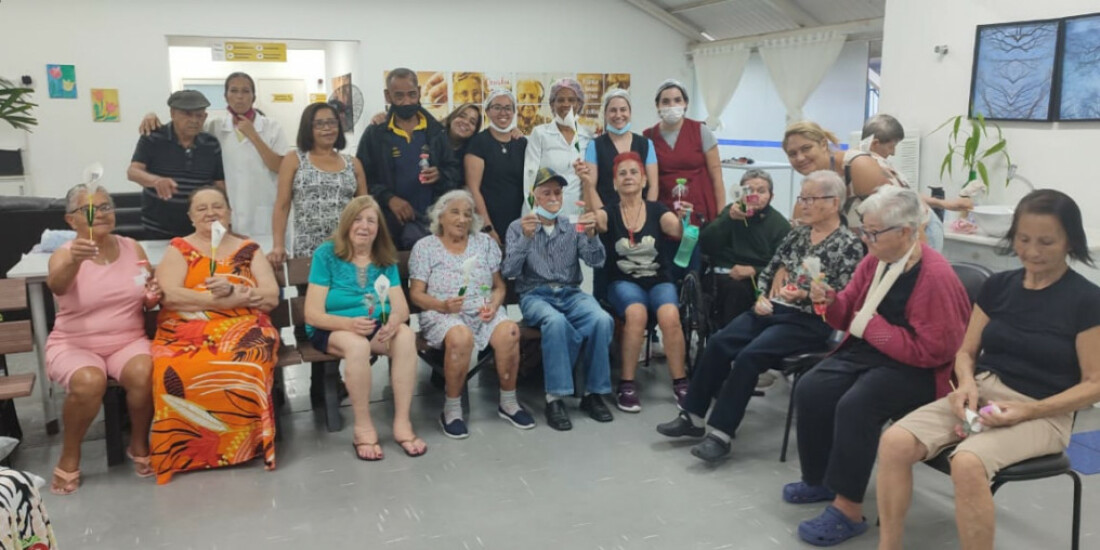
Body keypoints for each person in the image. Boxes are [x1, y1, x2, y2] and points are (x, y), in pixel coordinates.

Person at [877, 190, 1100, 550]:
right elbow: (966, 352)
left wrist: (1029, 411)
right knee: (895, 442)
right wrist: (965, 385)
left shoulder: (1087, 300)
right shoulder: (998, 286)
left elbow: (1094, 384)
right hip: (982, 395)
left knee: (967, 462)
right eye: (1023, 239)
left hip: (1045, 412)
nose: (1032, 251)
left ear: (1070, 242)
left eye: (1046, 242)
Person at [783, 186, 971, 547]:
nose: (865, 239)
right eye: (864, 231)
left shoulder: (935, 276)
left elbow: (935, 352)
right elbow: (848, 313)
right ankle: (820, 480)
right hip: (871, 353)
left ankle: (848, 510)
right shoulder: (876, 260)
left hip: (919, 370)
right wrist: (830, 301)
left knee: (857, 405)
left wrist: (875, 329)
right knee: (811, 386)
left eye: (873, 233)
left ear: (905, 232)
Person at [657, 171, 861, 462]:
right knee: (719, 342)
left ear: (834, 203)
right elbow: (771, 268)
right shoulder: (798, 234)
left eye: (810, 199)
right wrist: (763, 295)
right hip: (775, 308)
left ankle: (721, 434)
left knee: (749, 356)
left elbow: (842, 295)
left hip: (811, 320)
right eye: (802, 198)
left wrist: (804, 295)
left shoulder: (848, 245)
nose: (802, 204)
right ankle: (693, 416)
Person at [150, 186, 281, 484]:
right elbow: (169, 295)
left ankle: (246, 446)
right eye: (202, 208)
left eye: (218, 206)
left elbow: (271, 296)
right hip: (185, 332)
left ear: (230, 213)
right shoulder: (179, 248)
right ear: (190, 216)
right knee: (175, 368)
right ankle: (183, 452)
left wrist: (237, 291)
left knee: (248, 359)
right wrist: (218, 301)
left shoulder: (249, 249)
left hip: (244, 327)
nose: (211, 213)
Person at [44, 185, 161, 495]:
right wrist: (75, 260)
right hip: (75, 343)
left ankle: (139, 442)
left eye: (106, 207)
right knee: (89, 381)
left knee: (146, 372)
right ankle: (70, 454)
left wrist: (152, 295)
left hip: (128, 340)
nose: (101, 214)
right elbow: (57, 286)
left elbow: (146, 291)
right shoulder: (65, 254)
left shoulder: (132, 247)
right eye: (89, 210)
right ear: (71, 220)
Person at [304, 196, 426, 460]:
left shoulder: (384, 258)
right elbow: (312, 314)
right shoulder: (326, 254)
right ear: (347, 223)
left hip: (375, 325)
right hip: (333, 326)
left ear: (378, 228)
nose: (364, 226)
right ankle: (363, 428)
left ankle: (402, 423)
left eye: (371, 221)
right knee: (357, 345)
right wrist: (348, 324)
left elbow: (401, 308)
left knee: (406, 336)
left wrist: (395, 320)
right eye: (358, 219)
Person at [408, 190, 534, 438]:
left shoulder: (484, 243)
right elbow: (416, 295)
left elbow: (499, 287)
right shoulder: (425, 247)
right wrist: (443, 305)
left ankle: (509, 402)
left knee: (509, 331)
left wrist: (494, 305)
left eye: (467, 214)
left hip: (481, 310)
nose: (462, 219)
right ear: (440, 216)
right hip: (442, 313)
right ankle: (452, 409)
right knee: (460, 336)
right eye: (455, 212)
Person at [501, 167, 613, 431]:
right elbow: (509, 271)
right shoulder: (518, 227)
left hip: (570, 292)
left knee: (601, 319)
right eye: (546, 193)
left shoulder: (573, 225)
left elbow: (596, 261)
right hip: (535, 294)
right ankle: (555, 398)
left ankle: (593, 394)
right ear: (534, 196)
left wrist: (592, 236)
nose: (553, 198)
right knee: (555, 322)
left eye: (557, 192)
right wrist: (525, 239)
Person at [585, 152, 689, 412]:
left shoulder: (657, 210)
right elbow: (596, 221)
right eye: (622, 173)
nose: (628, 177)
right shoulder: (609, 212)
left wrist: (684, 219)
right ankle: (627, 383)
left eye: (634, 172)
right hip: (623, 281)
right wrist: (587, 185)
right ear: (615, 183)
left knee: (670, 316)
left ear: (644, 180)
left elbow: (677, 231)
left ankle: (681, 382)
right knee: (636, 313)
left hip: (659, 280)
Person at [138, 73, 288, 238]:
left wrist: (253, 135)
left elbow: (279, 167)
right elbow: (183, 129)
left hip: (264, 209)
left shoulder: (272, 128)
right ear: (226, 96)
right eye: (234, 91)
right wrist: (151, 116)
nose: (239, 96)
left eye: (246, 91)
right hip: (226, 213)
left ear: (254, 97)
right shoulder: (214, 127)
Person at [784, 119, 943, 249]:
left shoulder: (858, 166)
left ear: (824, 144)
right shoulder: (815, 181)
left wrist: (922, 264)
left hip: (917, 230)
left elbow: (906, 215)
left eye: (806, 148)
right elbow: (799, 230)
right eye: (792, 154)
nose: (800, 158)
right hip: (875, 240)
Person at [356, 68, 461, 251]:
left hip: (431, 225)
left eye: (412, 94)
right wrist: (389, 199)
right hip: (387, 227)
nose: (407, 101)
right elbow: (361, 179)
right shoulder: (375, 134)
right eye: (399, 96)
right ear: (387, 96)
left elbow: (455, 171)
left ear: (419, 92)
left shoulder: (436, 131)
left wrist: (441, 174)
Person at [268, 102, 367, 265]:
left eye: (332, 122)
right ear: (308, 128)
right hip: (308, 250)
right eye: (319, 124)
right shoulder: (294, 159)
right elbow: (282, 205)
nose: (327, 128)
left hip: (347, 248)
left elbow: (364, 209)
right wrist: (278, 245)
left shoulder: (353, 163)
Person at [698, 169, 792, 328]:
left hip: (758, 276)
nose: (754, 195)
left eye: (761, 191)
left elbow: (783, 263)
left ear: (771, 196)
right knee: (729, 288)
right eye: (748, 190)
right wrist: (728, 219)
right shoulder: (730, 212)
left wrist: (754, 270)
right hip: (723, 273)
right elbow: (706, 244)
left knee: (740, 290)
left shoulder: (780, 224)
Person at [127, 90, 225, 239]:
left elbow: (219, 184)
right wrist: (156, 181)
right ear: (173, 113)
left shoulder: (211, 143)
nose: (194, 120)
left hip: (200, 228)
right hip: (158, 228)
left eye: (199, 115)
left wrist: (225, 215)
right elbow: (133, 172)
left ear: (205, 117)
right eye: (187, 114)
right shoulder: (153, 137)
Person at [643, 79, 725, 227]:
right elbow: (648, 182)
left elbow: (717, 178)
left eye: (677, 100)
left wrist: (721, 217)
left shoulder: (701, 131)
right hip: (665, 212)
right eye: (665, 102)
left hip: (701, 209)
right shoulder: (649, 137)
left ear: (685, 103)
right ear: (657, 106)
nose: (672, 106)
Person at [467, 89, 527, 246]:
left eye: (508, 108)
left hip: (519, 223)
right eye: (497, 107)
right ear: (487, 111)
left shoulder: (522, 143)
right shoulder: (478, 142)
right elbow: (473, 190)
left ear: (514, 112)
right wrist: (488, 228)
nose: (503, 112)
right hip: (489, 223)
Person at [523, 78, 592, 213]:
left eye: (571, 100)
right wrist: (533, 210)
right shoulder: (540, 134)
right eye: (560, 100)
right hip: (544, 211)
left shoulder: (588, 136)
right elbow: (529, 176)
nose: (566, 104)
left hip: (577, 211)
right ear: (552, 104)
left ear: (579, 103)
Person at [442, 103, 482, 188]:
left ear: (475, 131)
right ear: (452, 118)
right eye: (462, 116)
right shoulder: (432, 139)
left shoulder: (473, 152)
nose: (466, 122)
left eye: (472, 122)